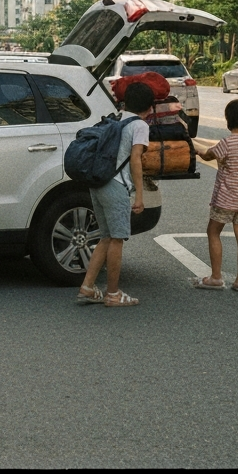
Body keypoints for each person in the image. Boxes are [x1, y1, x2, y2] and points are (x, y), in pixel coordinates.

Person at [77, 82, 154, 308]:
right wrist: (139, 196)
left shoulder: (117, 118)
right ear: (149, 107)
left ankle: (87, 287)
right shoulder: (140, 125)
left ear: (125, 103)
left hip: (99, 182)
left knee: (106, 237)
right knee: (117, 239)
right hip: (116, 186)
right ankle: (113, 294)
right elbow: (136, 159)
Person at [191, 98, 238, 292]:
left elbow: (208, 155)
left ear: (229, 119)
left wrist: (197, 150)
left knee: (213, 232)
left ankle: (216, 277)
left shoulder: (227, 143)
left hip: (225, 199)